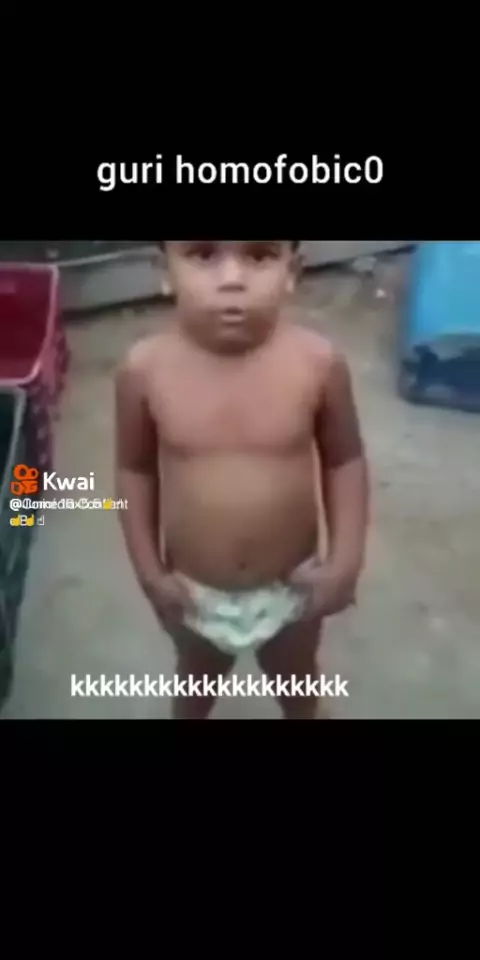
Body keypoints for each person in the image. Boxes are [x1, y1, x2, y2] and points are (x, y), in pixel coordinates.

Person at [115, 240, 369, 719]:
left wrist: (346, 560)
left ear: (292, 271)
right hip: (193, 589)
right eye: (204, 254)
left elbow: (345, 461)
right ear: (164, 271)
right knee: (195, 679)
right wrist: (150, 572)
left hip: (292, 586)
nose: (232, 279)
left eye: (258, 255)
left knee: (297, 678)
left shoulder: (319, 363)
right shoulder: (143, 371)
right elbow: (134, 471)